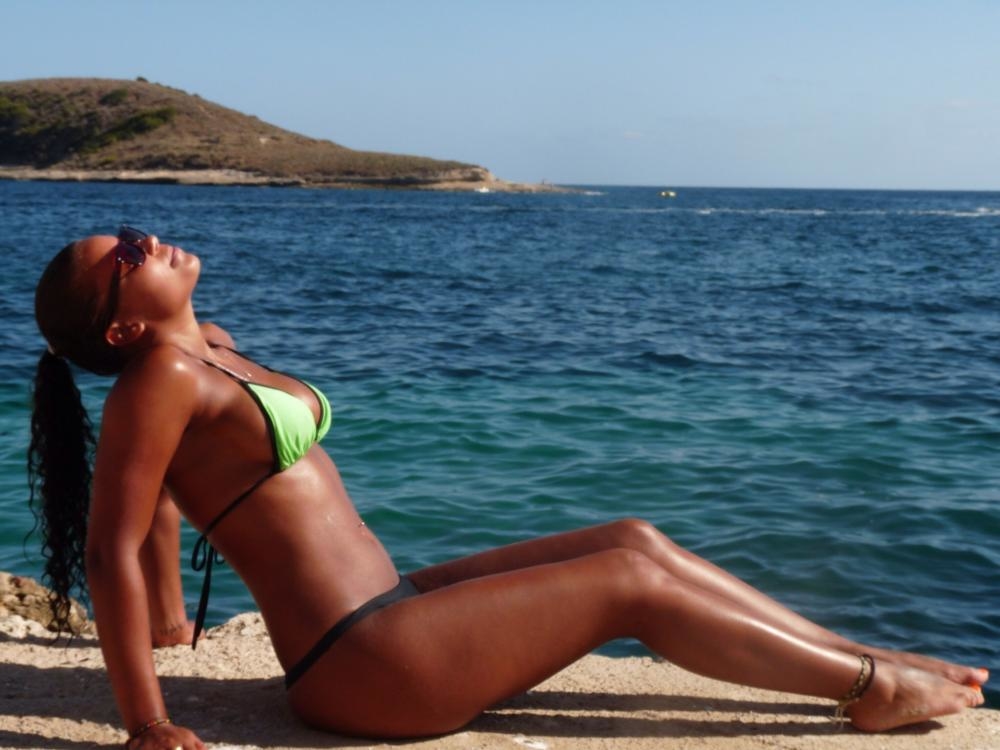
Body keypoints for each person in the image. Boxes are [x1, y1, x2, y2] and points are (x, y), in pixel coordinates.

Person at [28, 227, 987, 750]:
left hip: (389, 608)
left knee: (633, 538)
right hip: (362, 666)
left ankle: (855, 652)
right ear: (120, 331)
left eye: (131, 235)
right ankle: (869, 690)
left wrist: (173, 622)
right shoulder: (160, 380)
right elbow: (114, 542)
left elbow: (163, 506)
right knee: (628, 585)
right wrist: (149, 722)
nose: (145, 241)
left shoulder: (212, 348)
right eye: (123, 259)